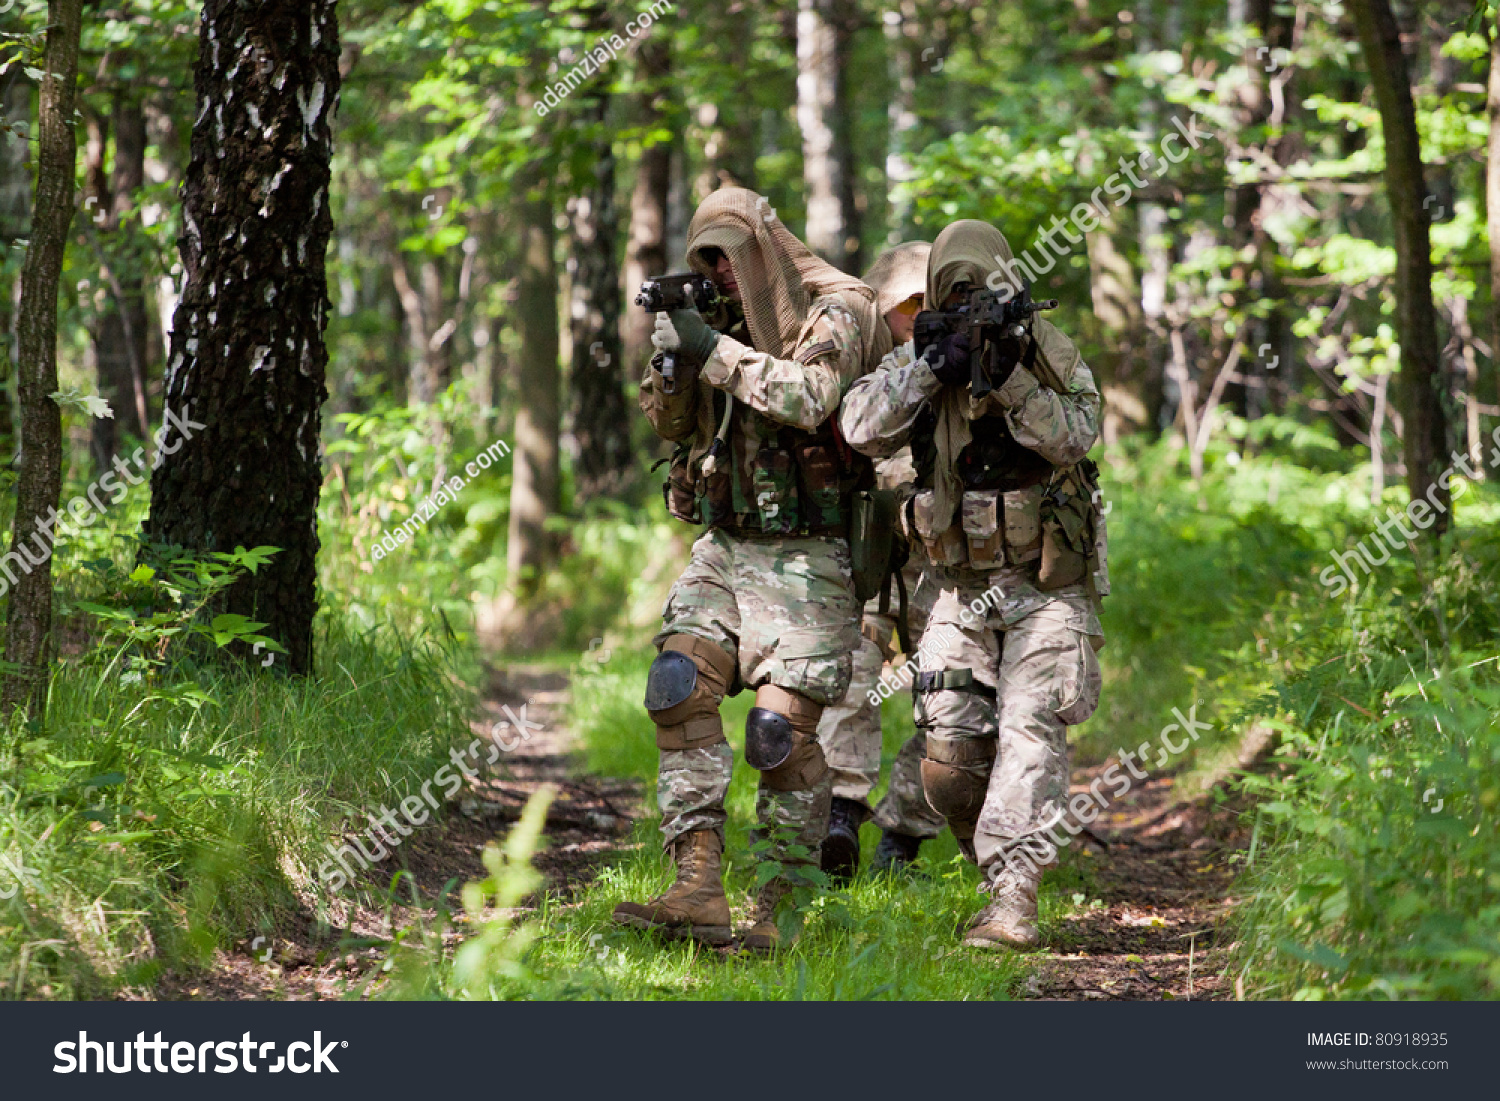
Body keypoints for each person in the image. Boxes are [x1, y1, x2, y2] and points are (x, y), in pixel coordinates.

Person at [612, 187, 890, 951]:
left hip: (814, 551)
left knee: (778, 735)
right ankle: (697, 884)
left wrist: (711, 349)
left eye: (729, 257)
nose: (719, 275)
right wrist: (673, 361)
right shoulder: (711, 324)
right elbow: (668, 422)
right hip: (728, 543)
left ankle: (779, 901)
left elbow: (811, 397)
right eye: (704, 259)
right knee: (676, 686)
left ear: (762, 249)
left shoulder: (840, 309)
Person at [839, 219, 1108, 949]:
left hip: (1047, 585)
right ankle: (986, 863)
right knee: (950, 759)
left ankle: (1013, 895)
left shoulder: (1045, 349)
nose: (963, 300)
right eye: (949, 290)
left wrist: (1011, 375)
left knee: (1029, 732)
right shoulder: (924, 356)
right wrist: (932, 364)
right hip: (960, 587)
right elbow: (860, 427)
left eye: (975, 288)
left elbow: (1077, 436)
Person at [814, 241, 946, 881]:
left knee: (950, 698)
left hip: (944, 565)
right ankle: (839, 816)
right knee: (848, 683)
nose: (919, 316)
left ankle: (904, 833)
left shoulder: (960, 358)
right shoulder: (852, 358)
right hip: (865, 554)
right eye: (907, 303)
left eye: (931, 302)